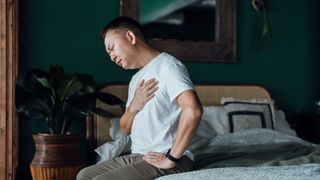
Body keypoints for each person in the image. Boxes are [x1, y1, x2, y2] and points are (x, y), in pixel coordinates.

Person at [77, 16, 203, 180]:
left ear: (130, 37)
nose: (111, 57)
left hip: (167, 156)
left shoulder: (168, 66)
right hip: (139, 155)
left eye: (112, 48)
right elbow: (125, 128)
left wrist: (172, 158)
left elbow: (193, 110)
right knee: (84, 176)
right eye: (109, 53)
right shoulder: (136, 80)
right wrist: (133, 106)